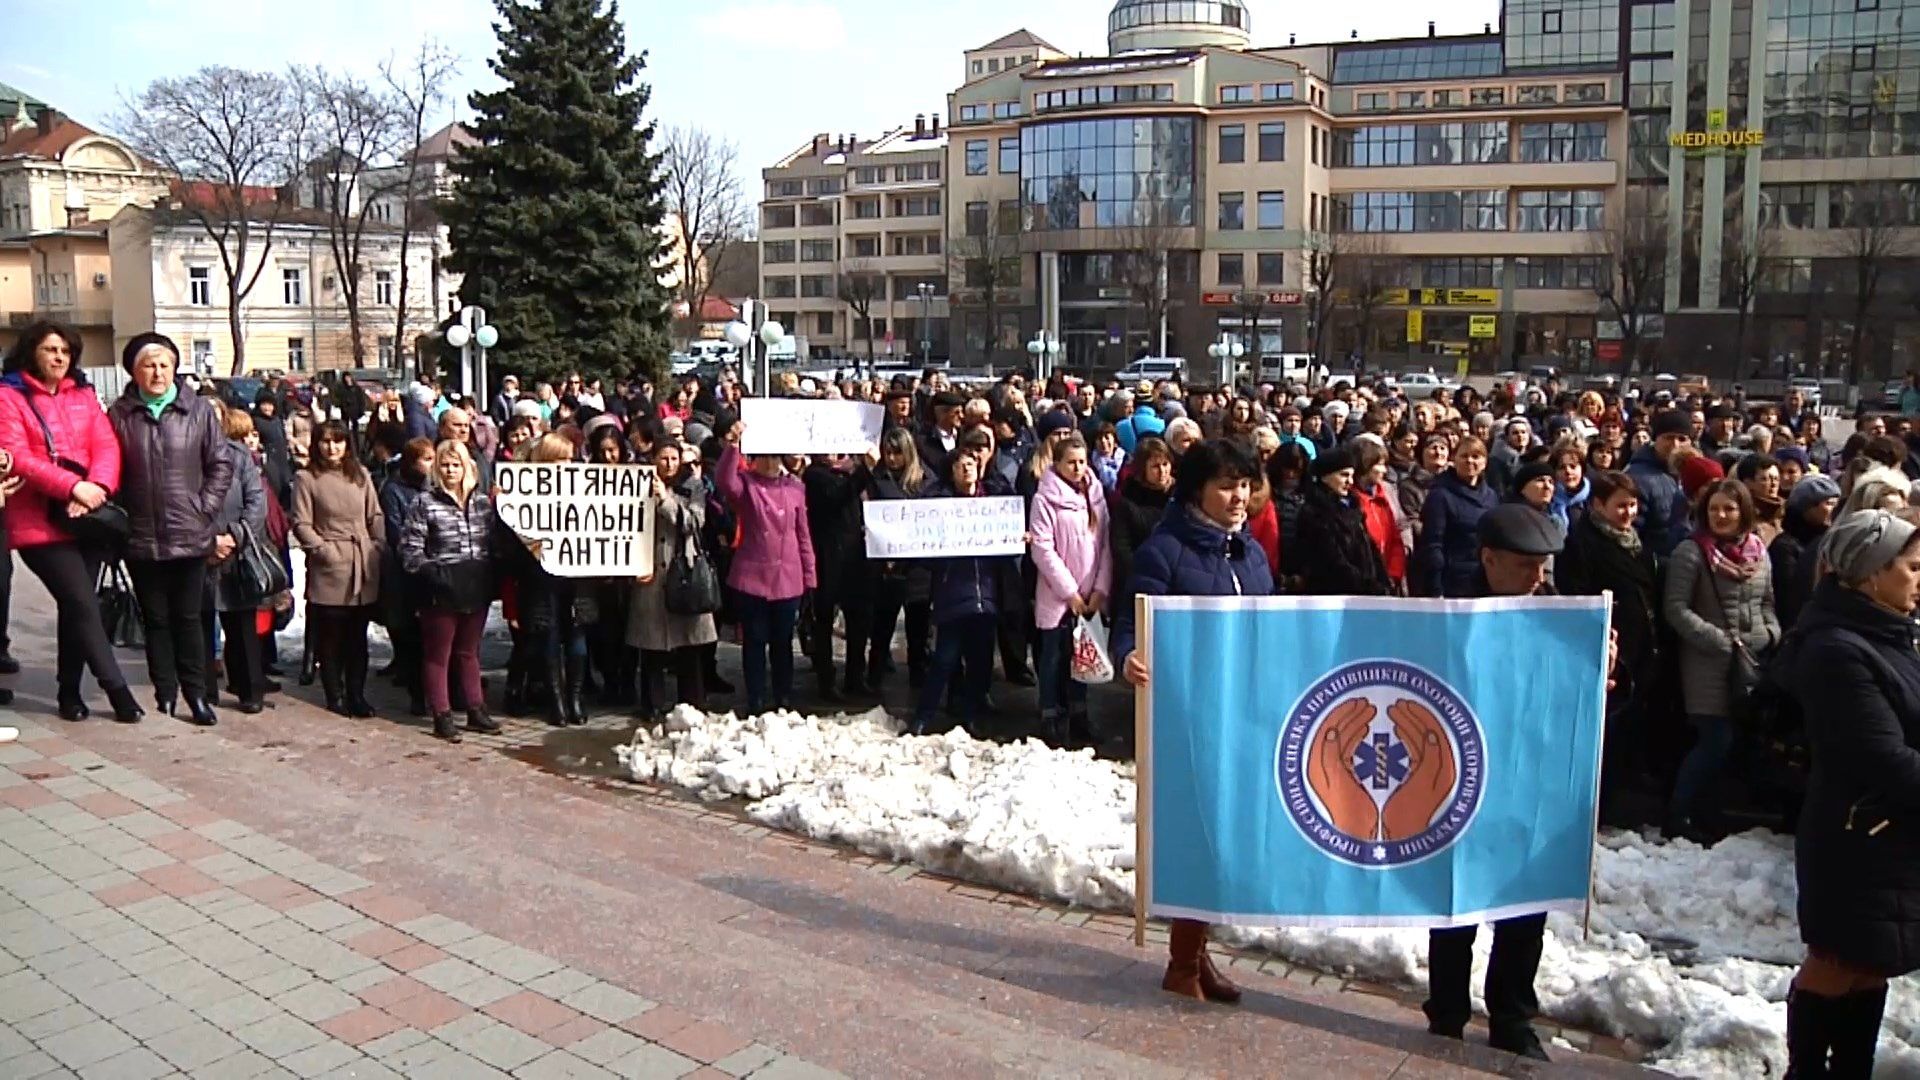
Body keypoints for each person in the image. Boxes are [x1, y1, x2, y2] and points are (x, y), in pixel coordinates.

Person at [1113, 439, 1271, 1006]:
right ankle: (1182, 962)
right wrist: (1131, 652)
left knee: (1223, 836)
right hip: (1187, 716)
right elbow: (1133, 619)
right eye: (1227, 485)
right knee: (1198, 835)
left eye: (1246, 485)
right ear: (1198, 489)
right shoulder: (1167, 550)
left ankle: (1197, 952)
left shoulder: (1249, 553)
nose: (1239, 497)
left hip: (1242, 715)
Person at [1422, 503, 1571, 1061]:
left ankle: (1512, 1015)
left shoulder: (1561, 612)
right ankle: (1447, 1010)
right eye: (1525, 566)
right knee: (1455, 900)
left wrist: (1606, 667)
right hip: (1461, 776)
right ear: (1488, 560)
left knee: (1524, 903)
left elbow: (1593, 694)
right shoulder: (1449, 610)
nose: (1538, 579)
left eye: (1544, 566)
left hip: (1530, 776)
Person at [1781, 509, 1920, 1078]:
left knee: (1871, 966)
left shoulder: (1888, 632)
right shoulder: (1839, 649)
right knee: (1837, 964)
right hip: (1856, 839)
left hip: (1891, 836)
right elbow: (1880, 758)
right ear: (1870, 575)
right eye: (1911, 568)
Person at [0, 323, 141, 722]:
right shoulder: (9, 397)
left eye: (65, 350)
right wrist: (71, 488)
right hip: (37, 522)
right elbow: (16, 455)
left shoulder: (84, 395)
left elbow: (106, 445)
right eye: (50, 349)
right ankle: (117, 691)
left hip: (87, 518)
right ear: (32, 353)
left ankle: (69, 692)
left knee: (75, 608)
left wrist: (96, 488)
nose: (59, 357)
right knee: (80, 601)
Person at [106, 332, 234, 725]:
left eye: (164, 364)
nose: (158, 372)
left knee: (189, 618)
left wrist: (203, 508)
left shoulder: (197, 411)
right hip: (141, 535)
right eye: (149, 364)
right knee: (155, 620)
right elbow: (108, 469)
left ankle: (196, 695)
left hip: (189, 534)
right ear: (134, 371)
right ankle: (164, 693)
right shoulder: (120, 415)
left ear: (175, 369)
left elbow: (221, 464)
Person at [1663, 479, 1780, 841]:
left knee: (1736, 740)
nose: (1721, 516)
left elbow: (1767, 602)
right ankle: (1678, 815)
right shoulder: (1691, 552)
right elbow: (1676, 608)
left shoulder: (1759, 552)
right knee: (1715, 739)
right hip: (1707, 662)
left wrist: (1771, 634)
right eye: (1714, 509)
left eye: (1728, 508)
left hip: (1751, 659)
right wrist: (1716, 640)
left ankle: (1710, 813)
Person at [1558, 470, 1661, 827]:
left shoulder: (1637, 542)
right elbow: (1578, 592)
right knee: (1607, 731)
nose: (1628, 513)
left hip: (1641, 644)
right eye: (1621, 506)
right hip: (1609, 646)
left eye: (1632, 505)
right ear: (1598, 505)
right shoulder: (1583, 543)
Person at [400, 440, 497, 743]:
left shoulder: (482, 503)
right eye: (445, 464)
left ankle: (475, 707)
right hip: (441, 586)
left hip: (475, 581)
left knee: (469, 651)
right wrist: (431, 571)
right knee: (438, 654)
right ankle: (441, 713)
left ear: (468, 467)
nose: (451, 470)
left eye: (456, 464)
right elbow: (409, 548)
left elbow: (493, 541)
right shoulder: (424, 502)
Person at [916, 447, 1017, 735]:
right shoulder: (940, 504)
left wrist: (1015, 537)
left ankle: (971, 715)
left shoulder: (994, 501)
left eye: (971, 464)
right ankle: (923, 716)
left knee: (980, 662)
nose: (967, 469)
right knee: (944, 659)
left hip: (985, 594)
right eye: (960, 465)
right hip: (953, 593)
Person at [714, 436, 817, 715]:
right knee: (755, 642)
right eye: (764, 457)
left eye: (775, 457)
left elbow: (803, 534)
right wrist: (733, 446)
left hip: (788, 577)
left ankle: (783, 696)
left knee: (783, 642)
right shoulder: (747, 485)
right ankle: (756, 697)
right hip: (753, 577)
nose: (770, 463)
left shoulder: (795, 488)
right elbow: (724, 480)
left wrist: (810, 576)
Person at [291, 421, 384, 718]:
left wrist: (378, 544)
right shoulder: (307, 479)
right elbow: (301, 522)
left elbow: (375, 513)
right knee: (331, 636)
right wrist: (323, 550)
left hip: (362, 561)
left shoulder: (360, 475)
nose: (332, 448)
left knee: (358, 637)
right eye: (326, 441)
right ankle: (336, 694)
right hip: (330, 566)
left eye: (338, 441)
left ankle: (357, 693)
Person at [1030, 431, 1110, 747]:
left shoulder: (1096, 494)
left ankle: (1079, 713)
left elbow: (1104, 546)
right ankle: (1050, 713)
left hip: (1090, 594)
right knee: (1053, 658)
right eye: (1071, 462)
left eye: (1082, 461)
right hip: (1058, 595)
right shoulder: (1044, 499)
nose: (1078, 468)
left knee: (1083, 658)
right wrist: (1070, 593)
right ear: (1057, 463)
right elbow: (1042, 549)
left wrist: (1100, 589)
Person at [629, 440, 716, 714]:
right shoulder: (638, 483)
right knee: (652, 647)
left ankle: (693, 702)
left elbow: (694, 522)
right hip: (650, 571)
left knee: (689, 645)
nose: (668, 464)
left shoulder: (693, 486)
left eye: (673, 458)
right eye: (663, 458)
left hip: (683, 570)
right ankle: (652, 704)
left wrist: (665, 501)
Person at [204, 406, 269, 716]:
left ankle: (249, 689)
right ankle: (203, 691)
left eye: (216, 413)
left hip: (237, 553)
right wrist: (207, 542)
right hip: (199, 553)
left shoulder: (238, 455)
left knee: (242, 627)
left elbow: (257, 501)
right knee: (200, 626)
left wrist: (235, 536)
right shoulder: (183, 455)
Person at [802, 448, 875, 704]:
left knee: (859, 617)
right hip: (828, 556)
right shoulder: (814, 475)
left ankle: (856, 675)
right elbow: (836, 496)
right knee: (824, 620)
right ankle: (826, 680)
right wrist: (864, 470)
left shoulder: (850, 472)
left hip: (855, 556)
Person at [867, 428, 933, 689]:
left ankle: (918, 676)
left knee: (918, 630)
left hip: (917, 568)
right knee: (882, 628)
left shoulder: (925, 481)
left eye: (897, 453)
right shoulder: (878, 478)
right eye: (888, 453)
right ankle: (874, 677)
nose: (892, 459)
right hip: (888, 567)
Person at [1415, 436, 1499, 598]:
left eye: (1475, 456)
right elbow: (1433, 544)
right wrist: (1435, 587)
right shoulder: (1440, 495)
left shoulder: (1491, 496)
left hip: (1486, 579)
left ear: (1485, 462)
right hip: (1453, 582)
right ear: (1454, 459)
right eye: (1464, 456)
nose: (1469, 461)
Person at [1108, 436, 1173, 625]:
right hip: (1138, 589)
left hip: (1174, 590)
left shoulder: (1179, 498)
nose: (1162, 472)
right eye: (1155, 466)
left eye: (1165, 464)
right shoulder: (1128, 503)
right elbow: (1121, 549)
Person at [1772, 474, 1841, 630]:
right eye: (1829, 503)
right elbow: (1789, 600)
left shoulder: (1830, 542)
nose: (1834, 510)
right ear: (1807, 507)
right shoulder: (1785, 547)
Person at [1627, 410, 1695, 556]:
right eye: (1669, 438)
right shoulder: (1637, 478)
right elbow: (1630, 532)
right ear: (1655, 439)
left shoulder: (1697, 473)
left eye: (1682, 439)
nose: (1675, 444)